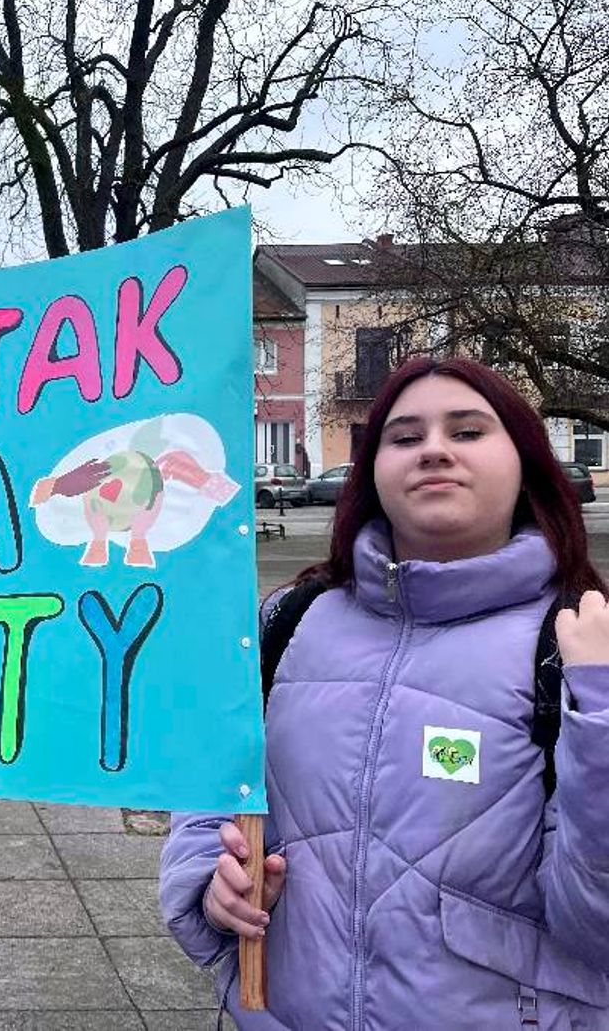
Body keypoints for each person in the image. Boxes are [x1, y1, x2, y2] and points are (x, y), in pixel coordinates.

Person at [160, 357, 609, 1028]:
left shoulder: (583, 647)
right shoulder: (288, 621)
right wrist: (212, 887)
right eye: (404, 437)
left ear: (525, 461)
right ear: (371, 470)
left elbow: (595, 928)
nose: (433, 450)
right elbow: (213, 790)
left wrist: (600, 714)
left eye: (467, 431)